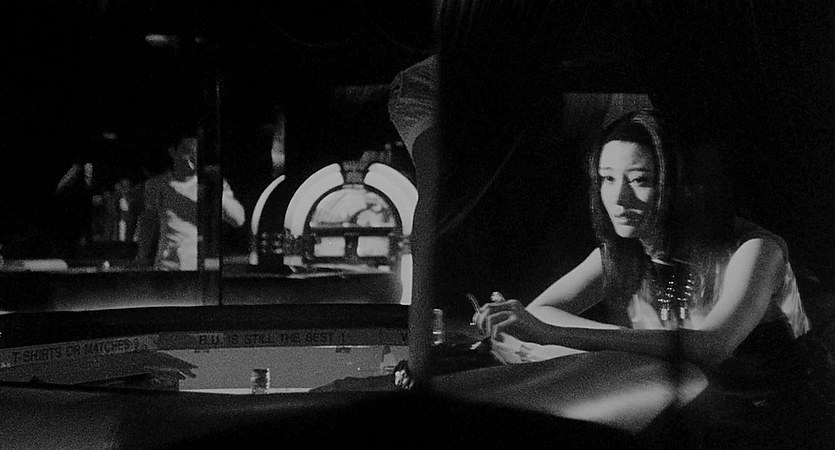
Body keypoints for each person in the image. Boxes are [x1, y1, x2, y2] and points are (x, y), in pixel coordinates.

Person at [474, 108, 823, 384]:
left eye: (640, 180)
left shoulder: (755, 249)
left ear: (680, 184)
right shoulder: (623, 251)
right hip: (678, 402)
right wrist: (617, 339)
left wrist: (556, 335)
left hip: (772, 408)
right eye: (607, 178)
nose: (618, 198)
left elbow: (712, 345)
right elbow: (539, 311)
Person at [133, 132, 246, 271]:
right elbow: (148, 223)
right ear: (173, 152)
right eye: (187, 151)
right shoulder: (157, 185)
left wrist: (215, 188)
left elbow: (238, 220)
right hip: (167, 266)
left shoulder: (211, 184)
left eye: (197, 152)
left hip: (201, 268)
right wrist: (141, 257)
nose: (193, 156)